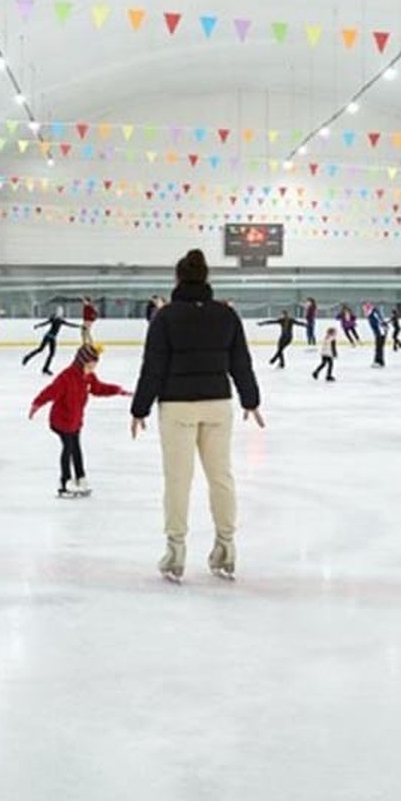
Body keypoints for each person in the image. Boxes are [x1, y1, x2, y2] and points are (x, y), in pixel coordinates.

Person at [129, 249, 264, 582]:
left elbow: (154, 366)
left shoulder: (165, 317)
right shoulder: (226, 315)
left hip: (177, 407)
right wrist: (251, 400)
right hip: (218, 404)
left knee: (178, 480)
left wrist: (140, 408)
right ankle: (226, 549)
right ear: (206, 279)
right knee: (221, 477)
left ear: (177, 279)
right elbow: (240, 362)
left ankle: (175, 553)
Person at [29, 343, 129, 498]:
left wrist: (117, 390)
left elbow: (99, 388)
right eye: (89, 366)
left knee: (76, 449)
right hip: (61, 421)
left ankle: (80, 477)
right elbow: (51, 391)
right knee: (68, 448)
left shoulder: (89, 377)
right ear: (81, 362)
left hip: (75, 421)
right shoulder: (66, 377)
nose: (91, 370)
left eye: (93, 366)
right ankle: (64, 482)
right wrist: (37, 404)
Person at [23, 306, 73, 376]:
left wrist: (80, 326)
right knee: (40, 349)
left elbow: (70, 325)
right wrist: (38, 325)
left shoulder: (61, 320)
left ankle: (45, 368)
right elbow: (45, 323)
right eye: (59, 312)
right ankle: (27, 357)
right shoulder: (53, 318)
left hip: (53, 338)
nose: (60, 313)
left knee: (51, 353)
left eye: (61, 312)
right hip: (48, 336)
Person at [365, 303, 386, 367]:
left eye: (366, 308)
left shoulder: (374, 313)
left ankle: (378, 362)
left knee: (379, 347)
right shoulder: (370, 314)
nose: (365, 310)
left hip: (381, 332)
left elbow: (380, 320)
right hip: (379, 332)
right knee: (379, 347)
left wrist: (382, 328)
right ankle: (380, 361)